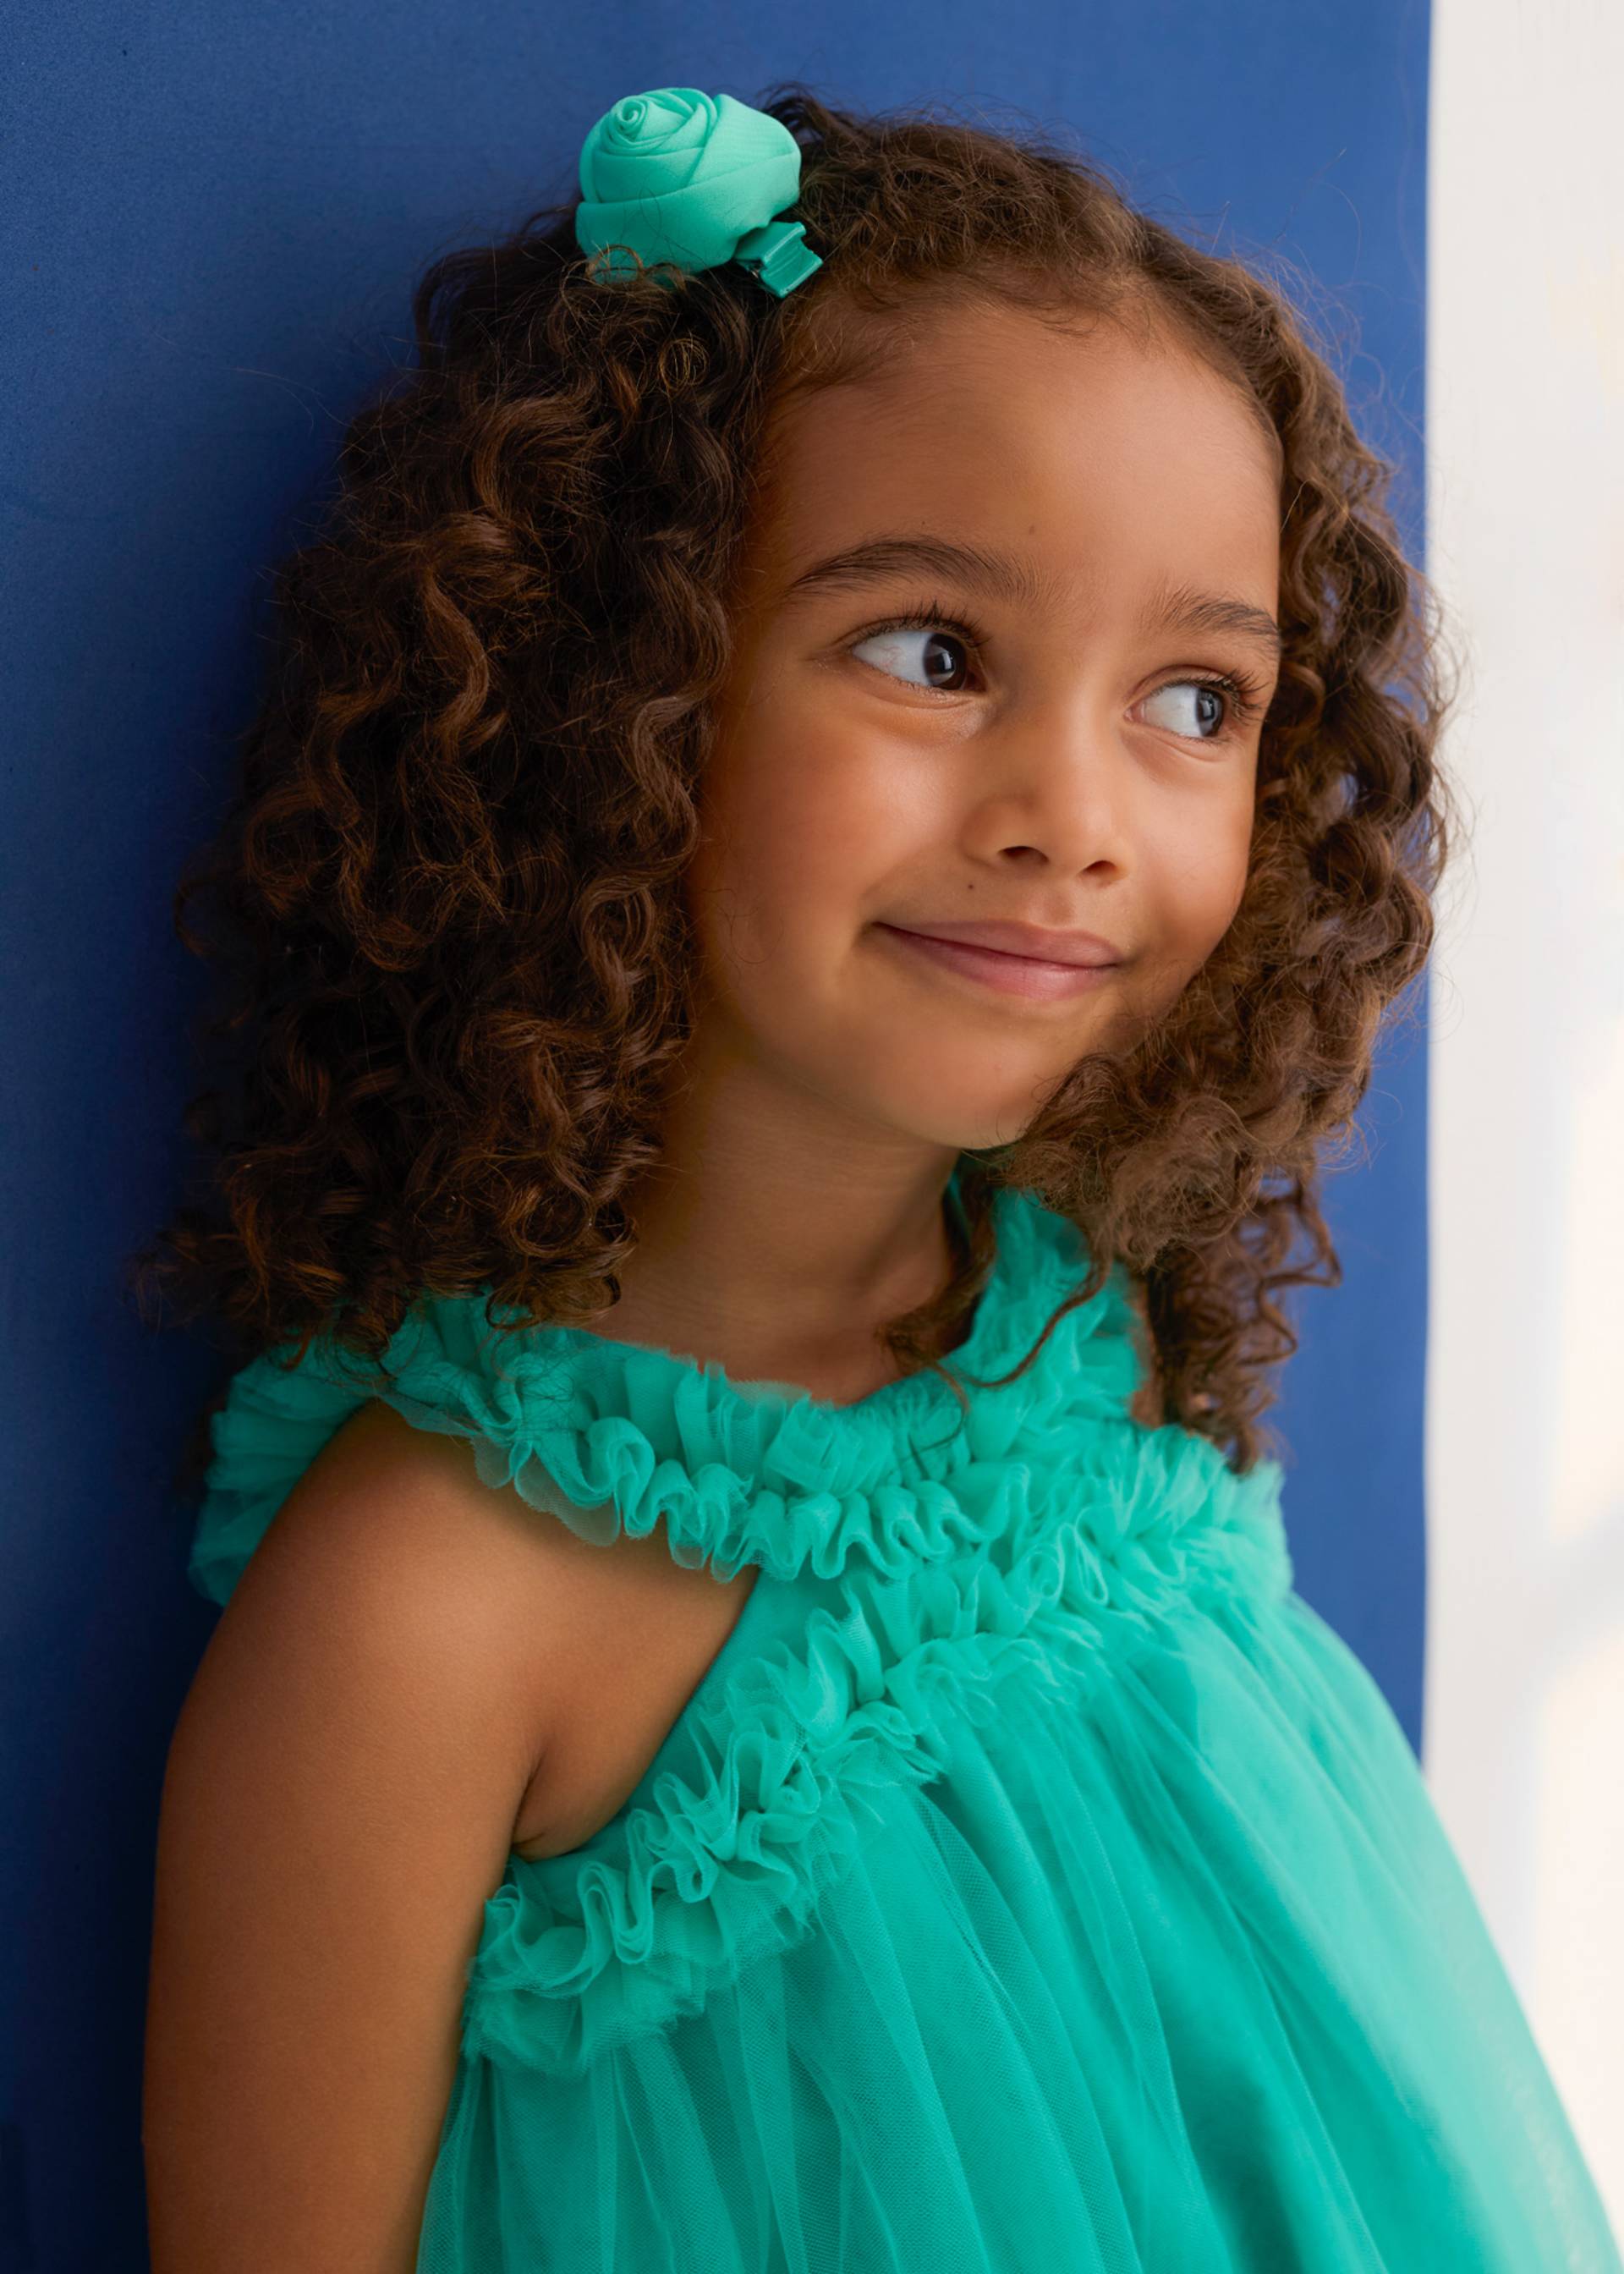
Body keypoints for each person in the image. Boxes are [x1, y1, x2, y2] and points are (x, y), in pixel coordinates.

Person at [134, 81, 1622, 2274]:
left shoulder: (1097, 1364)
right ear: (619, 683)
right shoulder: (422, 1605)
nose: (1077, 811)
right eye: (936, 655)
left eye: (1196, 699)